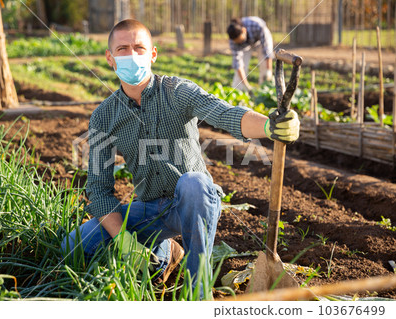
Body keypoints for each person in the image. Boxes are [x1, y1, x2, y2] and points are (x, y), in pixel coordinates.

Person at [61, 19, 299, 297]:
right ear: (110, 59)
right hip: (151, 208)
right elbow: (99, 190)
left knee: (194, 183)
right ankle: (164, 254)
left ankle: (198, 292)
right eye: (122, 49)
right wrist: (124, 240)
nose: (132, 55)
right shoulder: (104, 116)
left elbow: (223, 113)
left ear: (153, 54)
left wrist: (269, 126)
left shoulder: (176, 91)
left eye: (139, 47)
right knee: (75, 245)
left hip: (192, 202)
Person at [227, 17, 274, 92]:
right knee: (240, 71)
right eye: (237, 42)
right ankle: (239, 90)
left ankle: (264, 91)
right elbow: (238, 63)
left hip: (260, 41)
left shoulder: (257, 26)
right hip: (246, 46)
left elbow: (267, 50)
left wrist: (268, 69)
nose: (238, 42)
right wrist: (246, 85)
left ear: (244, 30)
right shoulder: (233, 42)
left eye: (240, 40)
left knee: (265, 68)